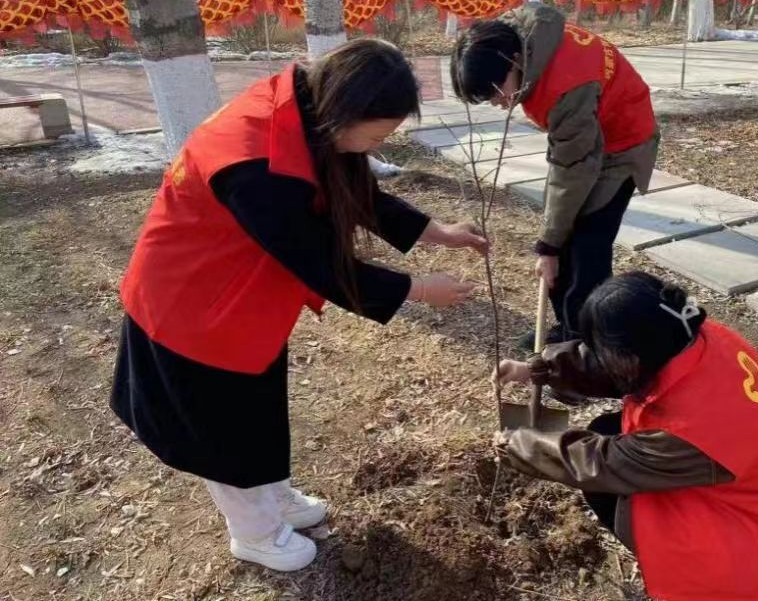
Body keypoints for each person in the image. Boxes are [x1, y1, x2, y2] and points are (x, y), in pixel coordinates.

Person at [111, 39, 488, 573]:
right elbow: (318, 263)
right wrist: (418, 289)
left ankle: (273, 494)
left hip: (241, 297)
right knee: (223, 426)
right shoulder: (253, 160)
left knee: (257, 408)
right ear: (345, 110)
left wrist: (437, 232)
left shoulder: (309, 114)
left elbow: (354, 189)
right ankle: (255, 532)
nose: (377, 147)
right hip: (192, 304)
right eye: (377, 136)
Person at [492, 272, 758, 601]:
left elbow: (602, 464)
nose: (599, 358)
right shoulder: (685, 334)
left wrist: (518, 445)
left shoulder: (694, 432)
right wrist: (541, 368)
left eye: (605, 352)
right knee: (608, 428)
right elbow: (609, 364)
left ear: (632, 358)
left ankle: (701, 582)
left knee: (609, 489)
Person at [451, 3, 658, 348]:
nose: (497, 103)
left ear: (513, 61)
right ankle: (569, 326)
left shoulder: (565, 86)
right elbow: (569, 159)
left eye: (496, 91)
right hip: (589, 137)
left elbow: (574, 167)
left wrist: (548, 244)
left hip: (623, 143)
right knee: (563, 236)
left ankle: (587, 342)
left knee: (587, 245)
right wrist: (551, 241)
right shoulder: (517, 37)